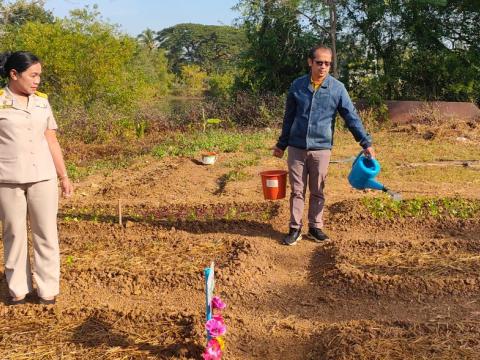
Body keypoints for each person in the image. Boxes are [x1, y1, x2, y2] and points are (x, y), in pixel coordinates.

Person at [272, 44, 375, 246]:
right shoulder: (298, 86)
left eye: (327, 63)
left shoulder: (337, 88)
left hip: (321, 148)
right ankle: (295, 228)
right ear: (310, 62)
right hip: (296, 147)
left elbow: (351, 117)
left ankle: (315, 227)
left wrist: (365, 142)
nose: (323, 67)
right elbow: (288, 118)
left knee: (318, 189)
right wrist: (281, 144)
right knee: (297, 190)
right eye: (319, 63)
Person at [0, 51, 73, 305]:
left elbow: (51, 139)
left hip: (43, 177)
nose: (37, 80)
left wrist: (63, 176)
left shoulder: (42, 102)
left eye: (39, 75)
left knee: (46, 233)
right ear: (14, 74)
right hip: (7, 179)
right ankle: (18, 289)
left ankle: (47, 290)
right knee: (14, 234)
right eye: (33, 75)